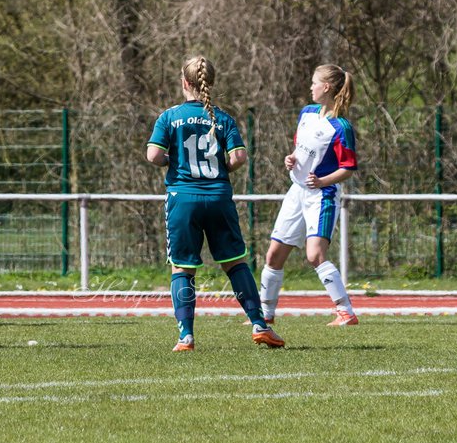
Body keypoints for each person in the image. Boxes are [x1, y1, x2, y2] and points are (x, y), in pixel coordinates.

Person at [145, 56, 284, 352]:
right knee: (234, 262)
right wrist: (220, 169)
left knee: (182, 269)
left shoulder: (169, 117)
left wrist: (174, 161)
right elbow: (238, 158)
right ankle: (259, 324)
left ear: (184, 82)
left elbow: (153, 156)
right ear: (212, 83)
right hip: (219, 197)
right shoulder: (222, 118)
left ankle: (186, 336)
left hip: (183, 199)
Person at [259, 65, 359, 326]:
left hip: (321, 195)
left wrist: (324, 180)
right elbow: (300, 149)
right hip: (297, 192)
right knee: (274, 255)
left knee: (315, 255)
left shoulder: (340, 127)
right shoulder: (307, 113)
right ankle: (264, 315)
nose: (310, 87)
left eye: (314, 83)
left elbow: (348, 168)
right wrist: (291, 159)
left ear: (326, 87)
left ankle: (345, 311)